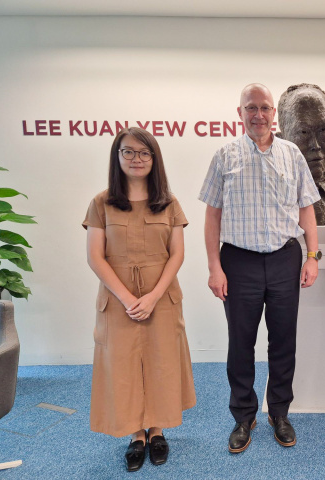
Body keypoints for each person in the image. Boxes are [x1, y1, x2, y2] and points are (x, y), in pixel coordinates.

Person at [199, 83, 320, 453]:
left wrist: (312, 257)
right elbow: (212, 216)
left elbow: (306, 208)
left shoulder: (292, 154)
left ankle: (279, 412)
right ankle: (243, 415)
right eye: (251, 107)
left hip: (285, 258)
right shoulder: (225, 156)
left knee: (283, 341)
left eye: (265, 107)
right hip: (239, 262)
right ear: (240, 113)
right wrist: (215, 267)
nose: (259, 114)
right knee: (241, 343)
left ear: (274, 114)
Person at [83, 127, 195, 472]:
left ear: (154, 159)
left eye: (144, 153)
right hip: (118, 300)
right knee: (123, 366)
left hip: (162, 297)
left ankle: (157, 431)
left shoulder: (169, 202)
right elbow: (95, 257)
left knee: (162, 362)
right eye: (128, 152)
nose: (137, 159)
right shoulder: (101, 203)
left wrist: (153, 297)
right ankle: (136, 434)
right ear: (117, 157)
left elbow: (177, 254)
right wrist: (129, 298)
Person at [276, 83, 325, 225]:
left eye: (323, 130)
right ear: (281, 140)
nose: (316, 145)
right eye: (303, 132)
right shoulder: (272, 191)